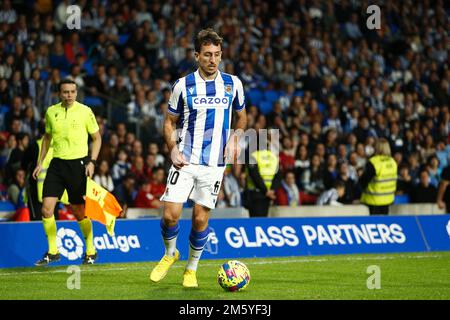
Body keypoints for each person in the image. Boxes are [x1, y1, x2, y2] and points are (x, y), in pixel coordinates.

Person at [150, 29, 247, 288]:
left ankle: (191, 270)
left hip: (215, 164)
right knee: (170, 215)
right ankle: (171, 252)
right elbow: (169, 122)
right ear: (197, 56)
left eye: (216, 54)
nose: (212, 59)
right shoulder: (183, 85)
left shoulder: (233, 83)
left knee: (200, 219)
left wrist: (236, 138)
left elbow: (241, 116)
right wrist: (172, 148)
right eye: (207, 55)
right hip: (186, 158)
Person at [32, 79, 102, 266]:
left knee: (79, 211)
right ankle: (53, 251)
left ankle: (91, 250)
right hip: (56, 165)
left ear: (76, 93)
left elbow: (97, 138)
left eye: (72, 92)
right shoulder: (51, 112)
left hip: (77, 166)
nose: (69, 95)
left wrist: (92, 162)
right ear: (59, 94)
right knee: (46, 209)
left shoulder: (85, 111)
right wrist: (40, 162)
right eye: (65, 92)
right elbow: (47, 138)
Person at [244, 130, 282, 217]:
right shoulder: (274, 157)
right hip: (269, 195)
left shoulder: (252, 156)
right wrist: (272, 190)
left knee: (255, 224)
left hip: (257, 195)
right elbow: (279, 176)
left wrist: (266, 191)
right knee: (264, 223)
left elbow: (254, 175)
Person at [359, 138, 398, 215]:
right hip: (388, 200)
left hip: (373, 201)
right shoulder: (393, 162)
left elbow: (363, 181)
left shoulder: (374, 162)